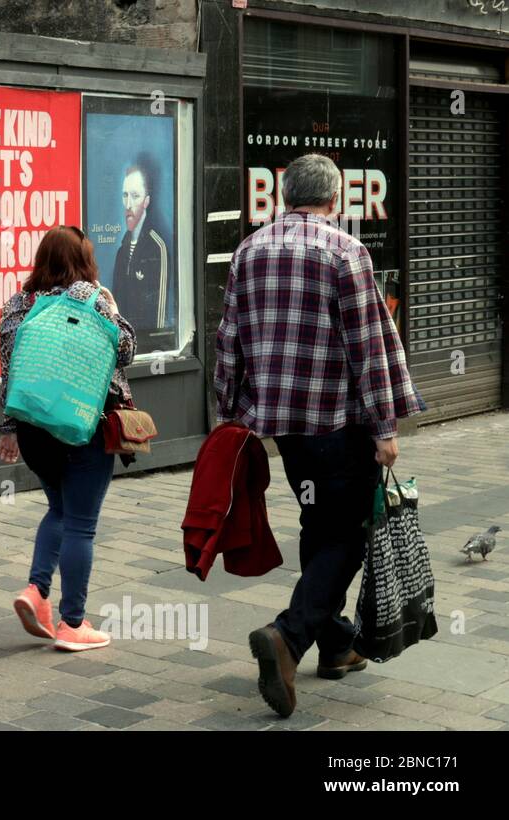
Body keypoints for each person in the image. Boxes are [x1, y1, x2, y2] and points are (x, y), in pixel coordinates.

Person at [214, 153, 426, 718]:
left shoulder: (249, 250)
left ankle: (337, 646)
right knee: (347, 536)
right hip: (338, 423)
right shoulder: (344, 251)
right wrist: (385, 426)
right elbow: (368, 348)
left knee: (318, 521)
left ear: (284, 197)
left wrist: (230, 411)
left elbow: (228, 337)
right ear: (334, 200)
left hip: (284, 429)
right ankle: (289, 634)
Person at [0, 226, 137, 651]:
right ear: (84, 262)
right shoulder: (93, 299)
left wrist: (9, 430)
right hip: (83, 427)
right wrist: (112, 305)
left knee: (58, 509)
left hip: (34, 431)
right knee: (80, 524)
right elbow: (127, 350)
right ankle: (73, 624)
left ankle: (36, 592)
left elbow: (9, 372)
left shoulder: (17, 306)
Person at [111, 153, 174, 352]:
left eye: (135, 196)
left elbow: (158, 318)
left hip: (146, 352)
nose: (128, 205)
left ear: (146, 200)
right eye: (125, 195)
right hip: (123, 352)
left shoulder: (157, 248)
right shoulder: (122, 251)